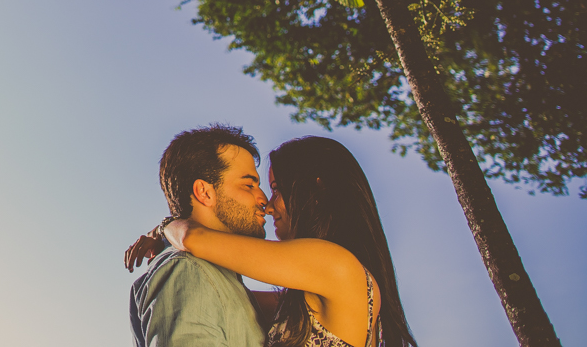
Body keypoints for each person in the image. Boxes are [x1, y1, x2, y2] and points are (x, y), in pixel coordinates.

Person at [127, 136, 416, 347]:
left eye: (276, 189)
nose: (267, 203)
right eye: (251, 185)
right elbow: (226, 295)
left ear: (314, 191)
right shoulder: (313, 291)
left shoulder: (333, 263)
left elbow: (194, 238)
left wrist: (165, 227)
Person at [128, 124, 269, 347]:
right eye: (249, 185)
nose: (264, 199)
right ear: (204, 192)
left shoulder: (216, 276)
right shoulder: (187, 270)